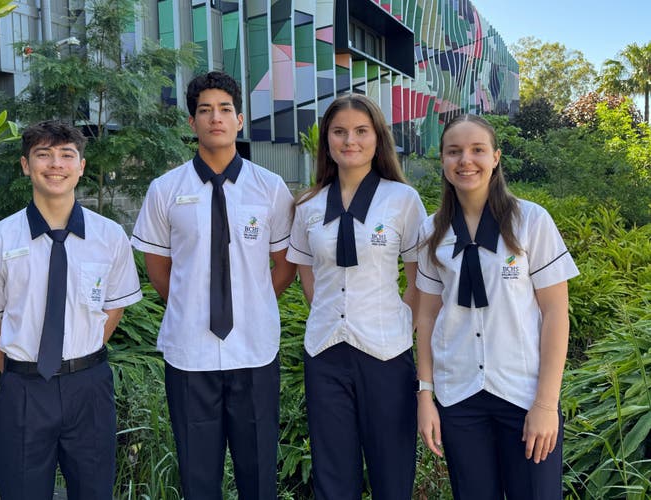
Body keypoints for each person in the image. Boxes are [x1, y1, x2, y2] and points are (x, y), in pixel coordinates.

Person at [131, 71, 295, 500]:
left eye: (224, 110)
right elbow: (158, 269)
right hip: (190, 354)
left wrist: (250, 303)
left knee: (258, 476)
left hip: (255, 350)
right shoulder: (165, 190)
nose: (215, 118)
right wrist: (193, 305)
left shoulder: (271, 189)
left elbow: (284, 265)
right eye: (205, 111)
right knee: (197, 476)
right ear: (192, 123)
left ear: (240, 120)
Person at [0, 120, 143, 499]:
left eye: (66, 155)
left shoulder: (110, 238)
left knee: (94, 492)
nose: (54, 164)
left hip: (89, 387)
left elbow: (112, 310)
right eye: (43, 155)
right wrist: (24, 368)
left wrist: (77, 356)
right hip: (24, 389)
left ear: (81, 166)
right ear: (26, 165)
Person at [415, 114, 579, 499]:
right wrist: (425, 395)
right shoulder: (431, 231)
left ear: (496, 158)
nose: (465, 161)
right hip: (459, 395)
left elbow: (556, 313)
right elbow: (426, 315)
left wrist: (546, 404)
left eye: (477, 150)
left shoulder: (530, 221)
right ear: (442, 160)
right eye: (454, 151)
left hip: (523, 395)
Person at [286, 94, 426, 499]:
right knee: (333, 472)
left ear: (377, 138)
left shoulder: (402, 200)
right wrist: (330, 313)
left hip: (385, 352)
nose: (350, 140)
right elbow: (306, 270)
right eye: (340, 131)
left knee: (391, 470)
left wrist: (403, 326)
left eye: (361, 131)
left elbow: (419, 280)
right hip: (325, 352)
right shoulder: (309, 204)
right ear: (327, 139)